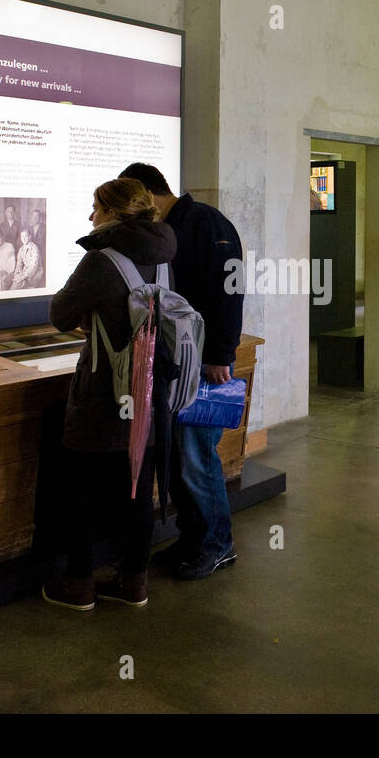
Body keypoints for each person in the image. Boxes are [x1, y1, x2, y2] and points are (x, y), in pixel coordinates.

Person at [42, 178, 176, 609]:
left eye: (96, 207)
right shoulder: (164, 259)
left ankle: (79, 585)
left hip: (102, 393)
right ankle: (133, 582)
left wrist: (90, 312)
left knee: (79, 489)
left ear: (115, 213)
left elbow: (60, 314)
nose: (90, 216)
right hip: (149, 390)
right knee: (137, 486)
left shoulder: (101, 261)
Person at [119, 162, 243, 580]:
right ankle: (192, 540)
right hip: (178, 365)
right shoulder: (173, 226)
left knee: (196, 457)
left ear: (150, 194)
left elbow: (230, 289)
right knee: (179, 458)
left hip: (205, 366)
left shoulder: (206, 223)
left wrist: (221, 354)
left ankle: (217, 545)